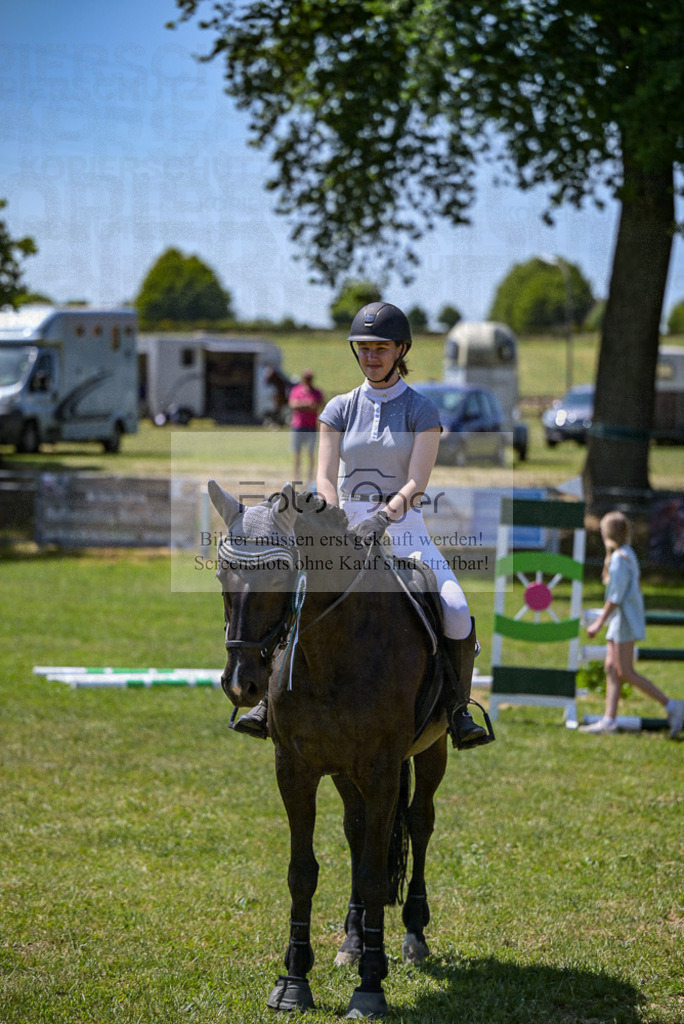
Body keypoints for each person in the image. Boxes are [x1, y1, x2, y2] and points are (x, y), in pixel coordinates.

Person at [234, 302, 492, 750]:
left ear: (401, 350)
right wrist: (333, 519)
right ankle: (267, 703)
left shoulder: (422, 410)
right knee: (290, 596)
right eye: (364, 348)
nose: (371, 357)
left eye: (380, 348)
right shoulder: (338, 408)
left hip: (404, 529)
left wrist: (382, 517)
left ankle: (457, 708)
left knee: (454, 607)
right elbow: (324, 475)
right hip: (340, 528)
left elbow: (417, 482)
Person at [580, 510, 684, 737]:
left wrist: (598, 624)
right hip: (620, 621)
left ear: (607, 534)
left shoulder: (620, 559)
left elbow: (615, 598)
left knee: (625, 671)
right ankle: (609, 720)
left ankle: (672, 706)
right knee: (611, 668)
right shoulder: (627, 553)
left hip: (624, 622)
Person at [289, 369, 324, 483]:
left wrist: (301, 405)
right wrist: (307, 405)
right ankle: (297, 477)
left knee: (310, 453)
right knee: (297, 453)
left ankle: (310, 478)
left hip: (311, 426)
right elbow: (293, 405)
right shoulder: (296, 390)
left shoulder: (317, 392)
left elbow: (316, 406)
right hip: (298, 426)